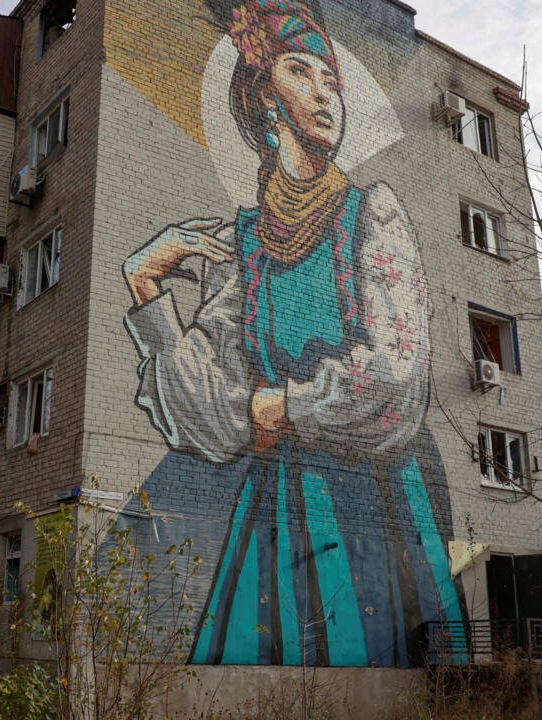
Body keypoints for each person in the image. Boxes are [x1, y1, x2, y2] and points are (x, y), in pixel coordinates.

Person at [121, 0, 464, 667]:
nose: (324, 93)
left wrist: (285, 405)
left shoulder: (374, 213)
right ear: (262, 98)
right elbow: (211, 419)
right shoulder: (242, 244)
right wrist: (147, 292)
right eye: (301, 73)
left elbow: (399, 377)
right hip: (275, 506)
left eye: (332, 80)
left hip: (378, 499)